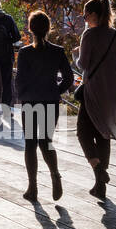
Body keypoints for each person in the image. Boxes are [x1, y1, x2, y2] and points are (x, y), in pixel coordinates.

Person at [74, 0, 116, 200]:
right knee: (104, 135)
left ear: (94, 14)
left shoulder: (90, 35)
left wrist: (76, 55)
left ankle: (98, 171)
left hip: (93, 92)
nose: (85, 19)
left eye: (86, 15)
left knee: (83, 132)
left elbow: (83, 65)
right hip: (113, 96)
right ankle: (99, 186)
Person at [15, 11, 72, 202]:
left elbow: (19, 79)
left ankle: (33, 187)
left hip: (30, 101)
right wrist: (56, 91)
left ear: (30, 28)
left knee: (30, 144)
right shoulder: (58, 51)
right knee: (46, 141)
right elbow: (69, 78)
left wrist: (22, 96)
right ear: (49, 28)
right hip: (50, 101)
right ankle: (55, 174)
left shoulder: (25, 52)